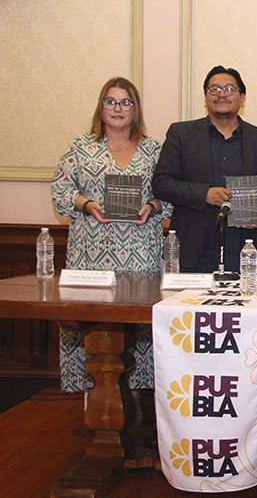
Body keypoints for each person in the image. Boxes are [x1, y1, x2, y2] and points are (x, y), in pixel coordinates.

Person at [51, 76, 170, 394]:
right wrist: (86, 204)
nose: (118, 108)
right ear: (101, 107)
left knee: (139, 326)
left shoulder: (153, 150)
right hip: (90, 255)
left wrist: (152, 206)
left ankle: (137, 400)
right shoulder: (81, 147)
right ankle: (94, 397)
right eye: (111, 101)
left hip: (140, 255)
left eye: (126, 102)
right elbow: (60, 190)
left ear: (136, 109)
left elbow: (170, 195)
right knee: (91, 325)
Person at [153, 66, 257, 272]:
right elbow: (161, 183)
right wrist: (204, 194)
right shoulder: (181, 134)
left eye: (229, 89)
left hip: (243, 250)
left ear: (242, 98)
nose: (222, 94)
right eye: (214, 89)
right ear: (206, 97)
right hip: (193, 250)